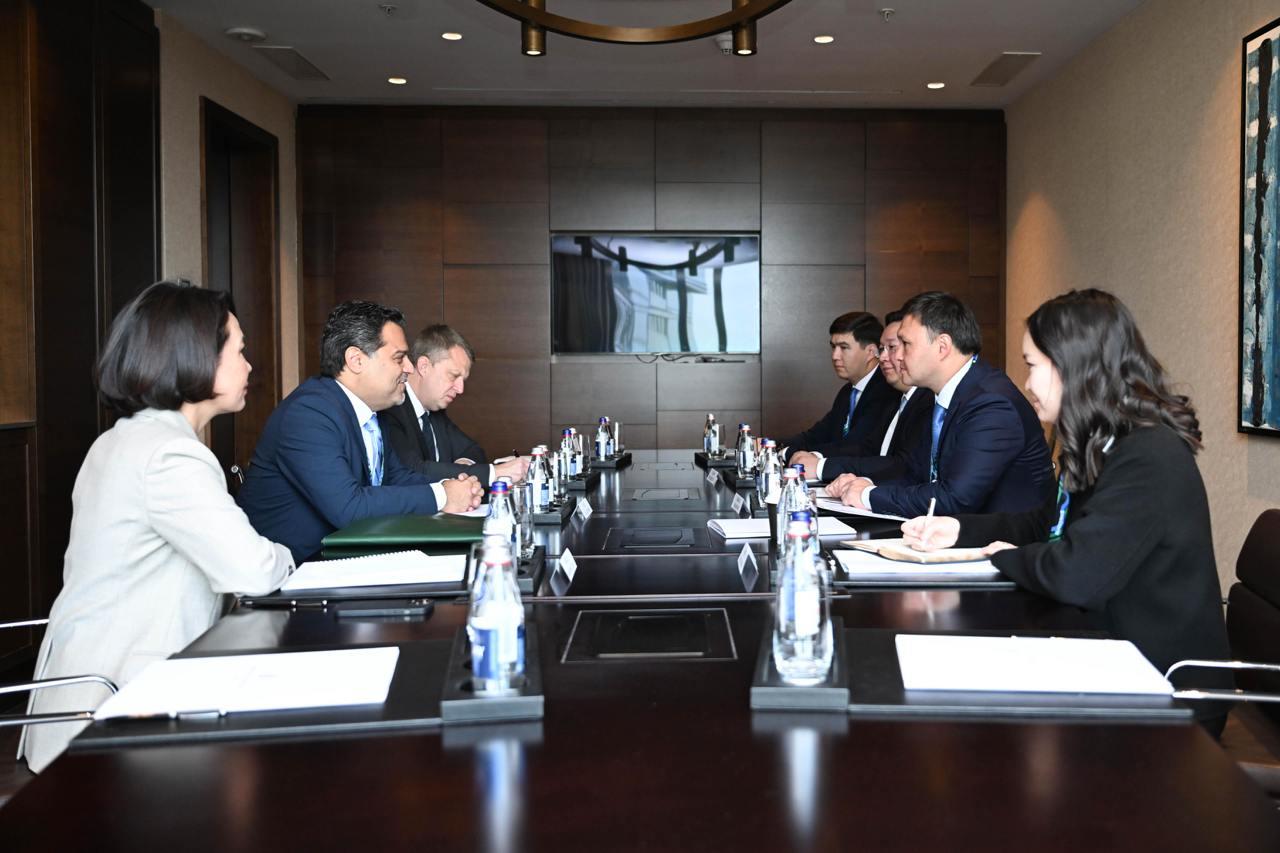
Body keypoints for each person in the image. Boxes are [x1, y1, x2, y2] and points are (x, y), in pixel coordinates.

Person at [900, 289, 1232, 734]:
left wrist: (1002, 557)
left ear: (1072, 367)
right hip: (1108, 654)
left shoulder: (1150, 455)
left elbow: (1076, 573)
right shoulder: (1099, 441)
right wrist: (959, 530)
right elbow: (1045, 523)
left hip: (1165, 689)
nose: (1027, 383)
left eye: (1033, 366)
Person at [20, 282, 296, 773]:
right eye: (239, 351)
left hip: (79, 694)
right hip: (118, 708)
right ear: (197, 357)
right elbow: (255, 570)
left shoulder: (124, 439)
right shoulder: (170, 454)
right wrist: (287, 555)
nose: (250, 366)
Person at [237, 301, 482, 562]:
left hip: (348, 557)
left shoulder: (372, 411)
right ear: (356, 360)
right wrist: (442, 496)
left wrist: (455, 487)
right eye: (399, 358)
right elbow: (348, 507)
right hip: (296, 570)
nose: (409, 369)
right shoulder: (308, 413)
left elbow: (397, 478)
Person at [827, 291, 1052, 517]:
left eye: (905, 344)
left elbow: (956, 498)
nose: (897, 356)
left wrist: (868, 495)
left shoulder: (991, 404)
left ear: (942, 347)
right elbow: (916, 473)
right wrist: (863, 483)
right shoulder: (942, 395)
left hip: (997, 536)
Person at [380, 324, 530, 486]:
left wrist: (462, 467)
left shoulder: (434, 411)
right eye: (453, 376)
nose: (460, 389)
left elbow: (472, 450)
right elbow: (412, 470)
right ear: (424, 366)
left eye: (463, 380)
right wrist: (495, 472)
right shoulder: (390, 408)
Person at [805, 310, 935, 483]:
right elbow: (867, 448)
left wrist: (821, 467)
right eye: (882, 349)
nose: (883, 357)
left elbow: (903, 467)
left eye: (893, 347)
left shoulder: (925, 400)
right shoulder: (895, 397)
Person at [780, 311, 900, 466]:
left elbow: (856, 446)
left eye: (843, 347)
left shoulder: (888, 390)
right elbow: (816, 435)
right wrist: (774, 446)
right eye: (833, 347)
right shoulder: (847, 391)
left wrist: (801, 455)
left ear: (871, 352)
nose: (835, 356)